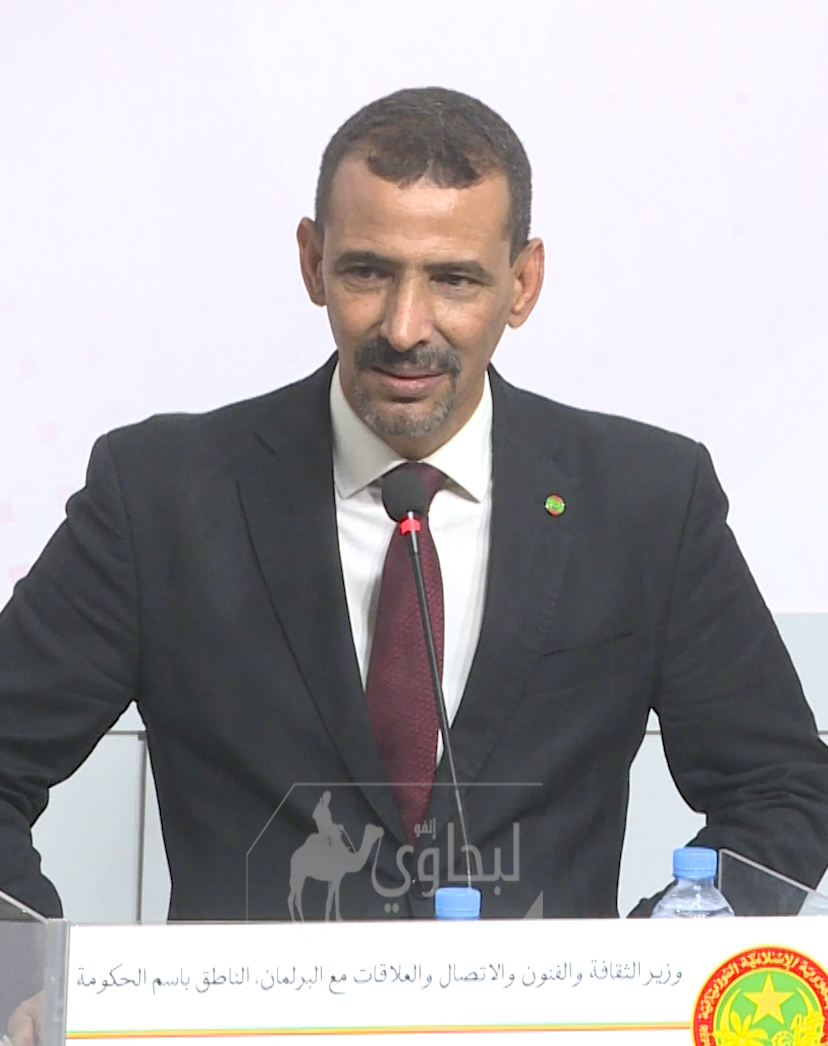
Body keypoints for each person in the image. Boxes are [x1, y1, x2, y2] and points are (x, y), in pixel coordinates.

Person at [0, 86, 827, 935]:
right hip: (247, 1027)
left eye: (454, 279)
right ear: (312, 261)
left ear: (523, 283)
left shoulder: (648, 500)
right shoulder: (157, 495)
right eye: (368, 271)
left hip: (548, 1024)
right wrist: (40, 977)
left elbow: (781, 790)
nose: (404, 327)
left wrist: (651, 970)